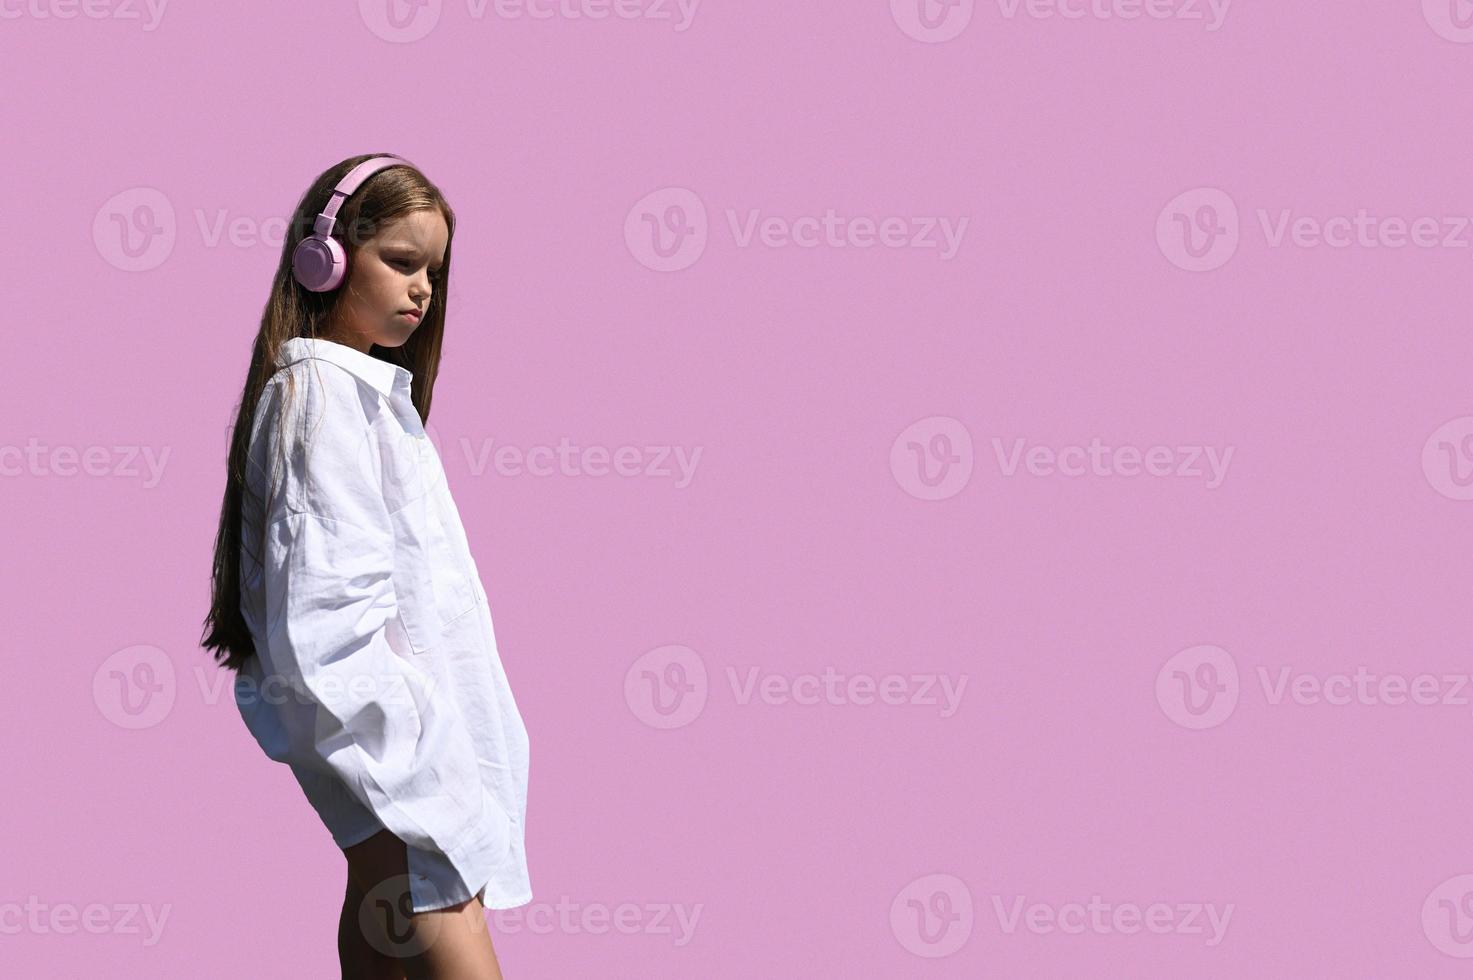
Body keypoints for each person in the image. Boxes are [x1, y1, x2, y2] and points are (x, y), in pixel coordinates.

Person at [200, 153, 531, 979]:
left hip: (412, 779)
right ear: (327, 256)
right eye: (402, 261)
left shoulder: (368, 400)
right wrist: (422, 766)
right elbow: (327, 616)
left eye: (435, 272)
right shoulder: (318, 396)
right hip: (404, 774)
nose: (422, 289)